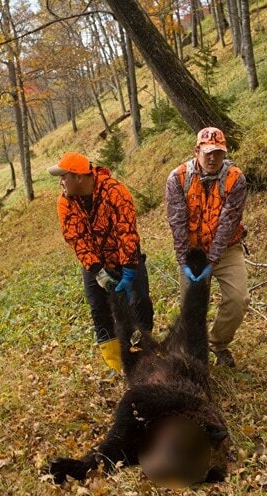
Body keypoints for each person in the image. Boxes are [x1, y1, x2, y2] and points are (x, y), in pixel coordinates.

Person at [48, 151, 154, 376]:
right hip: (95, 262)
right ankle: (117, 364)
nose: (61, 182)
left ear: (78, 176)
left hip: (125, 259)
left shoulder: (115, 192)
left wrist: (128, 271)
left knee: (140, 301)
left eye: (64, 176)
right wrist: (97, 271)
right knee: (99, 308)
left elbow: (127, 232)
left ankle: (144, 354)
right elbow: (76, 239)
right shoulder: (65, 202)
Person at [165, 127, 249, 368]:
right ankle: (192, 353)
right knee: (192, 307)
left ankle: (218, 343)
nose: (212, 158)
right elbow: (177, 222)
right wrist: (183, 261)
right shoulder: (178, 178)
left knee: (238, 299)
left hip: (227, 249)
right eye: (207, 152)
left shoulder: (235, 179)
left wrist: (212, 262)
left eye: (218, 153)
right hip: (192, 252)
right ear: (197, 151)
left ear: (225, 153)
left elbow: (228, 222)